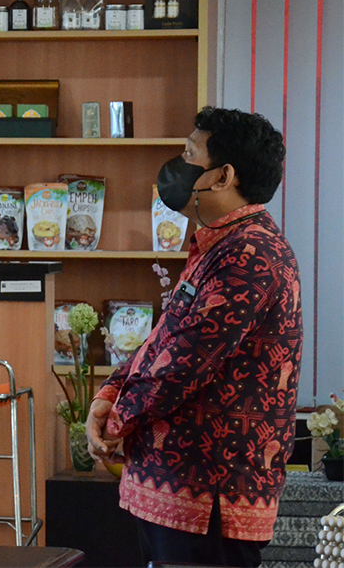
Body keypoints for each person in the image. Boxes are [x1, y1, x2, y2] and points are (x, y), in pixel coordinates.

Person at [87, 107, 303, 567]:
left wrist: (115, 421)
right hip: (176, 489)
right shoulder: (218, 242)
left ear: (223, 176)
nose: (176, 166)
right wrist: (109, 394)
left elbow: (187, 361)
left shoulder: (250, 252)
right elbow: (165, 338)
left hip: (209, 497)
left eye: (189, 154)